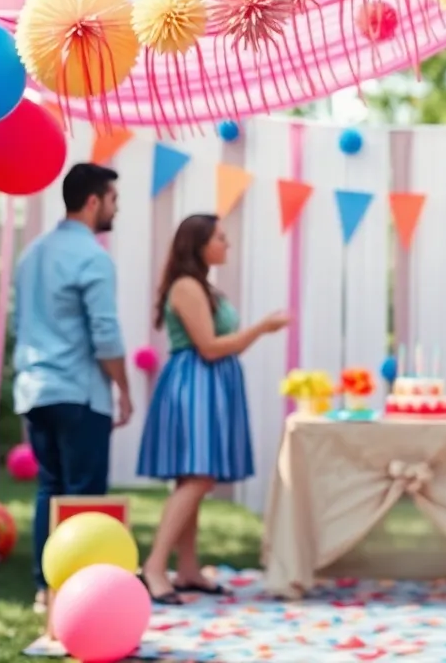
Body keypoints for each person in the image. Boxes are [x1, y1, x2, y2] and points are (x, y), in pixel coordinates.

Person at [136, 214, 290, 604]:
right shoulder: (187, 286)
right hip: (195, 384)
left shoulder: (200, 285)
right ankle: (155, 567)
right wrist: (262, 328)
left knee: (194, 479)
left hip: (208, 384)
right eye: (221, 237)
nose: (227, 244)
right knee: (199, 477)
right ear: (200, 243)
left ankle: (187, 568)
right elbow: (210, 346)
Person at [12, 163, 132, 613]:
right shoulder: (93, 257)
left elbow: (17, 323)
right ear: (94, 201)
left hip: (35, 389)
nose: (116, 209)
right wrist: (124, 388)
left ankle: (46, 588)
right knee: (83, 495)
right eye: (114, 200)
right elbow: (106, 335)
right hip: (78, 393)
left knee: (51, 489)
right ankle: (79, 590)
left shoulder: (32, 254)